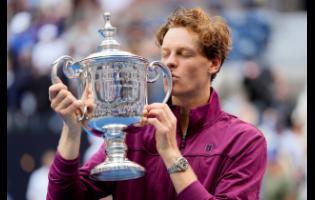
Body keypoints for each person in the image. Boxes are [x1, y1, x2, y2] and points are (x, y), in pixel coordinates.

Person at [47, 7, 267, 199]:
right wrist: (72, 131)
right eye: (165, 53)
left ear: (214, 63)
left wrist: (171, 154)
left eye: (184, 54)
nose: (170, 61)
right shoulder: (135, 132)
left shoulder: (244, 141)